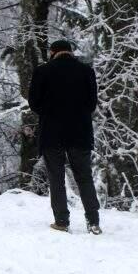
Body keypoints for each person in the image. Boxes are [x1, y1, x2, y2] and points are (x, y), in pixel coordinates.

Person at [28, 40, 102, 235]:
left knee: (56, 177)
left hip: (52, 133)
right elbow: (91, 104)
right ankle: (93, 222)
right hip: (80, 132)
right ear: (70, 52)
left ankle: (62, 221)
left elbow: (34, 103)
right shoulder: (86, 71)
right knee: (85, 177)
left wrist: (50, 110)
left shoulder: (42, 71)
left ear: (52, 52)